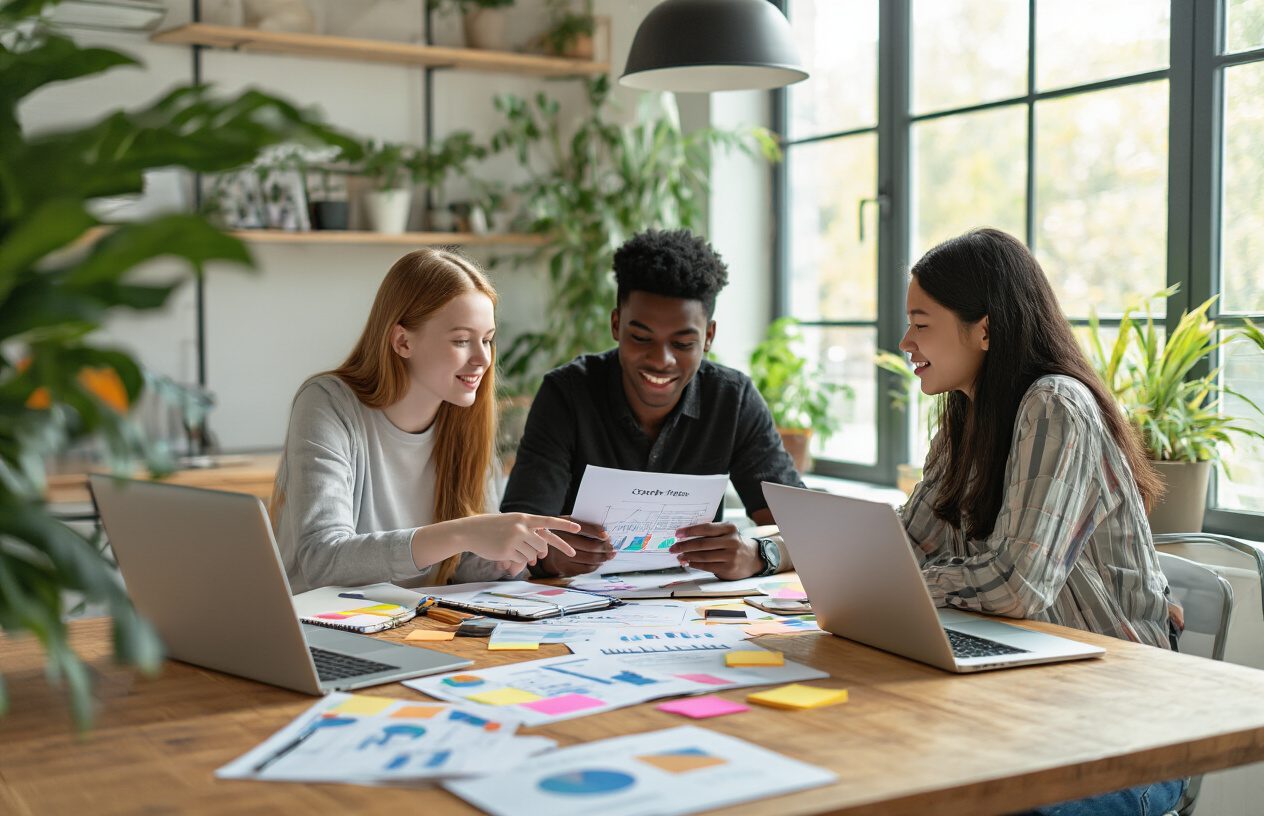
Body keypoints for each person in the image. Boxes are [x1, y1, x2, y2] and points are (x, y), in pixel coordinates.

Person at [896, 229, 1183, 816]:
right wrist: (800, 556)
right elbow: (908, 541)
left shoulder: (1055, 406)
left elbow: (1016, 585)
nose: (905, 341)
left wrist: (892, 584)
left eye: (922, 323)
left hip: (1126, 732)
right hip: (1033, 706)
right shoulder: (965, 422)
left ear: (985, 328)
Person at [501, 228, 805, 580]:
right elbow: (515, 534)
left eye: (682, 343)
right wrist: (551, 558)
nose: (662, 360)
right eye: (641, 338)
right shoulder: (567, 394)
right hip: (579, 605)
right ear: (616, 325)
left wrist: (758, 554)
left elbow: (809, 532)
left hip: (697, 617)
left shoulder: (732, 399)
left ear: (708, 337)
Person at [271, 248, 578, 594]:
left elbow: (457, 567)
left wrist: (509, 556)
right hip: (322, 627)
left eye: (488, 340)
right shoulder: (327, 403)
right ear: (403, 341)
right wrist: (464, 533)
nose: (482, 359)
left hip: (415, 622)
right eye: (461, 340)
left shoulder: (465, 418)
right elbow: (321, 558)